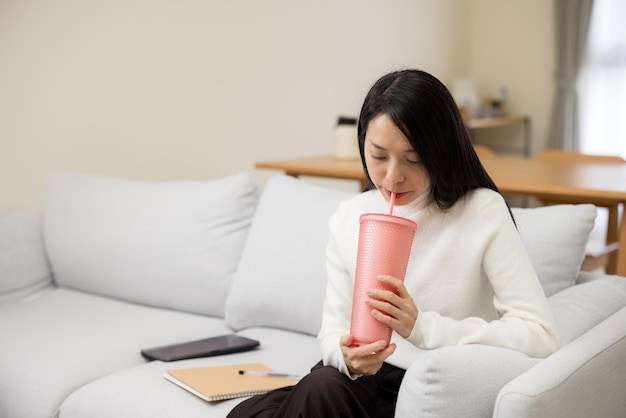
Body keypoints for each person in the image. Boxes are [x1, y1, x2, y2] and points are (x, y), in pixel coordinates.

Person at [227, 69, 559, 418]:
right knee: (284, 400)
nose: (392, 176)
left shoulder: (480, 211)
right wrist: (346, 356)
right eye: (379, 156)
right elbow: (333, 330)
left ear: (441, 150)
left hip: (431, 382)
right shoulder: (350, 216)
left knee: (314, 397)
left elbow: (540, 335)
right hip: (358, 380)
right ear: (362, 144)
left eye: (414, 158)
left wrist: (423, 327)